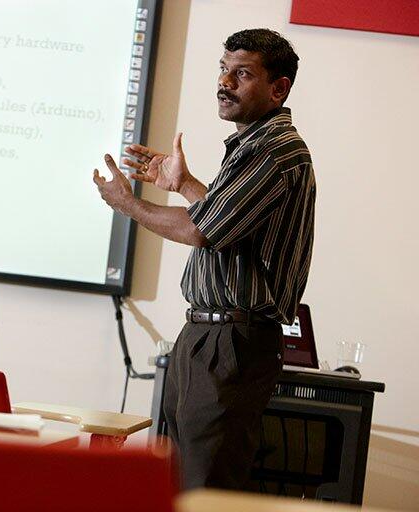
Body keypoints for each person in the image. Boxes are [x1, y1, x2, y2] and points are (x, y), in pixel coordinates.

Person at [93, 29, 314, 489]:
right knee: (176, 485)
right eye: (223, 69)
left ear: (278, 88)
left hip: (232, 342)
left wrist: (127, 203)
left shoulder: (275, 149)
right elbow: (227, 221)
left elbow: (202, 230)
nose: (224, 83)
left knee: (204, 488)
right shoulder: (252, 145)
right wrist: (185, 184)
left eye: (242, 74)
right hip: (206, 336)